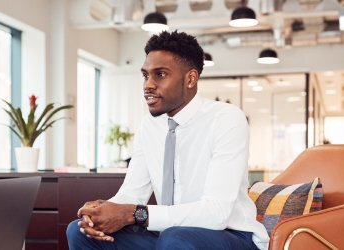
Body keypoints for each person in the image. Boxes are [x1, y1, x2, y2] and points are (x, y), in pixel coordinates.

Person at [67, 31, 269, 249]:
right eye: (145, 75)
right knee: (79, 231)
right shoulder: (149, 125)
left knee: (175, 238)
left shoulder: (226, 119)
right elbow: (133, 193)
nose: (148, 85)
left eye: (160, 75)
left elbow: (216, 213)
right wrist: (104, 210)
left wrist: (132, 213)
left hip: (230, 235)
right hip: (168, 236)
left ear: (190, 79)